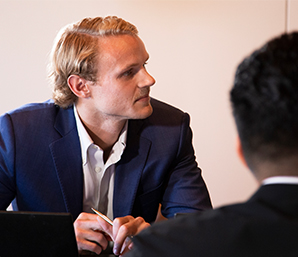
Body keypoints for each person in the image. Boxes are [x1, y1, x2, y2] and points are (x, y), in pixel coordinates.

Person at [0, 16, 212, 256]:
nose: (149, 80)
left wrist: (153, 237)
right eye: (129, 72)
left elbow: (201, 229)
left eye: (144, 65)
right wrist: (58, 238)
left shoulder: (172, 128)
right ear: (81, 86)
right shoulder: (18, 132)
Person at [125, 32, 298, 257]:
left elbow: (190, 215)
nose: (149, 80)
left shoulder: (162, 248)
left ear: (241, 152)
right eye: (128, 72)